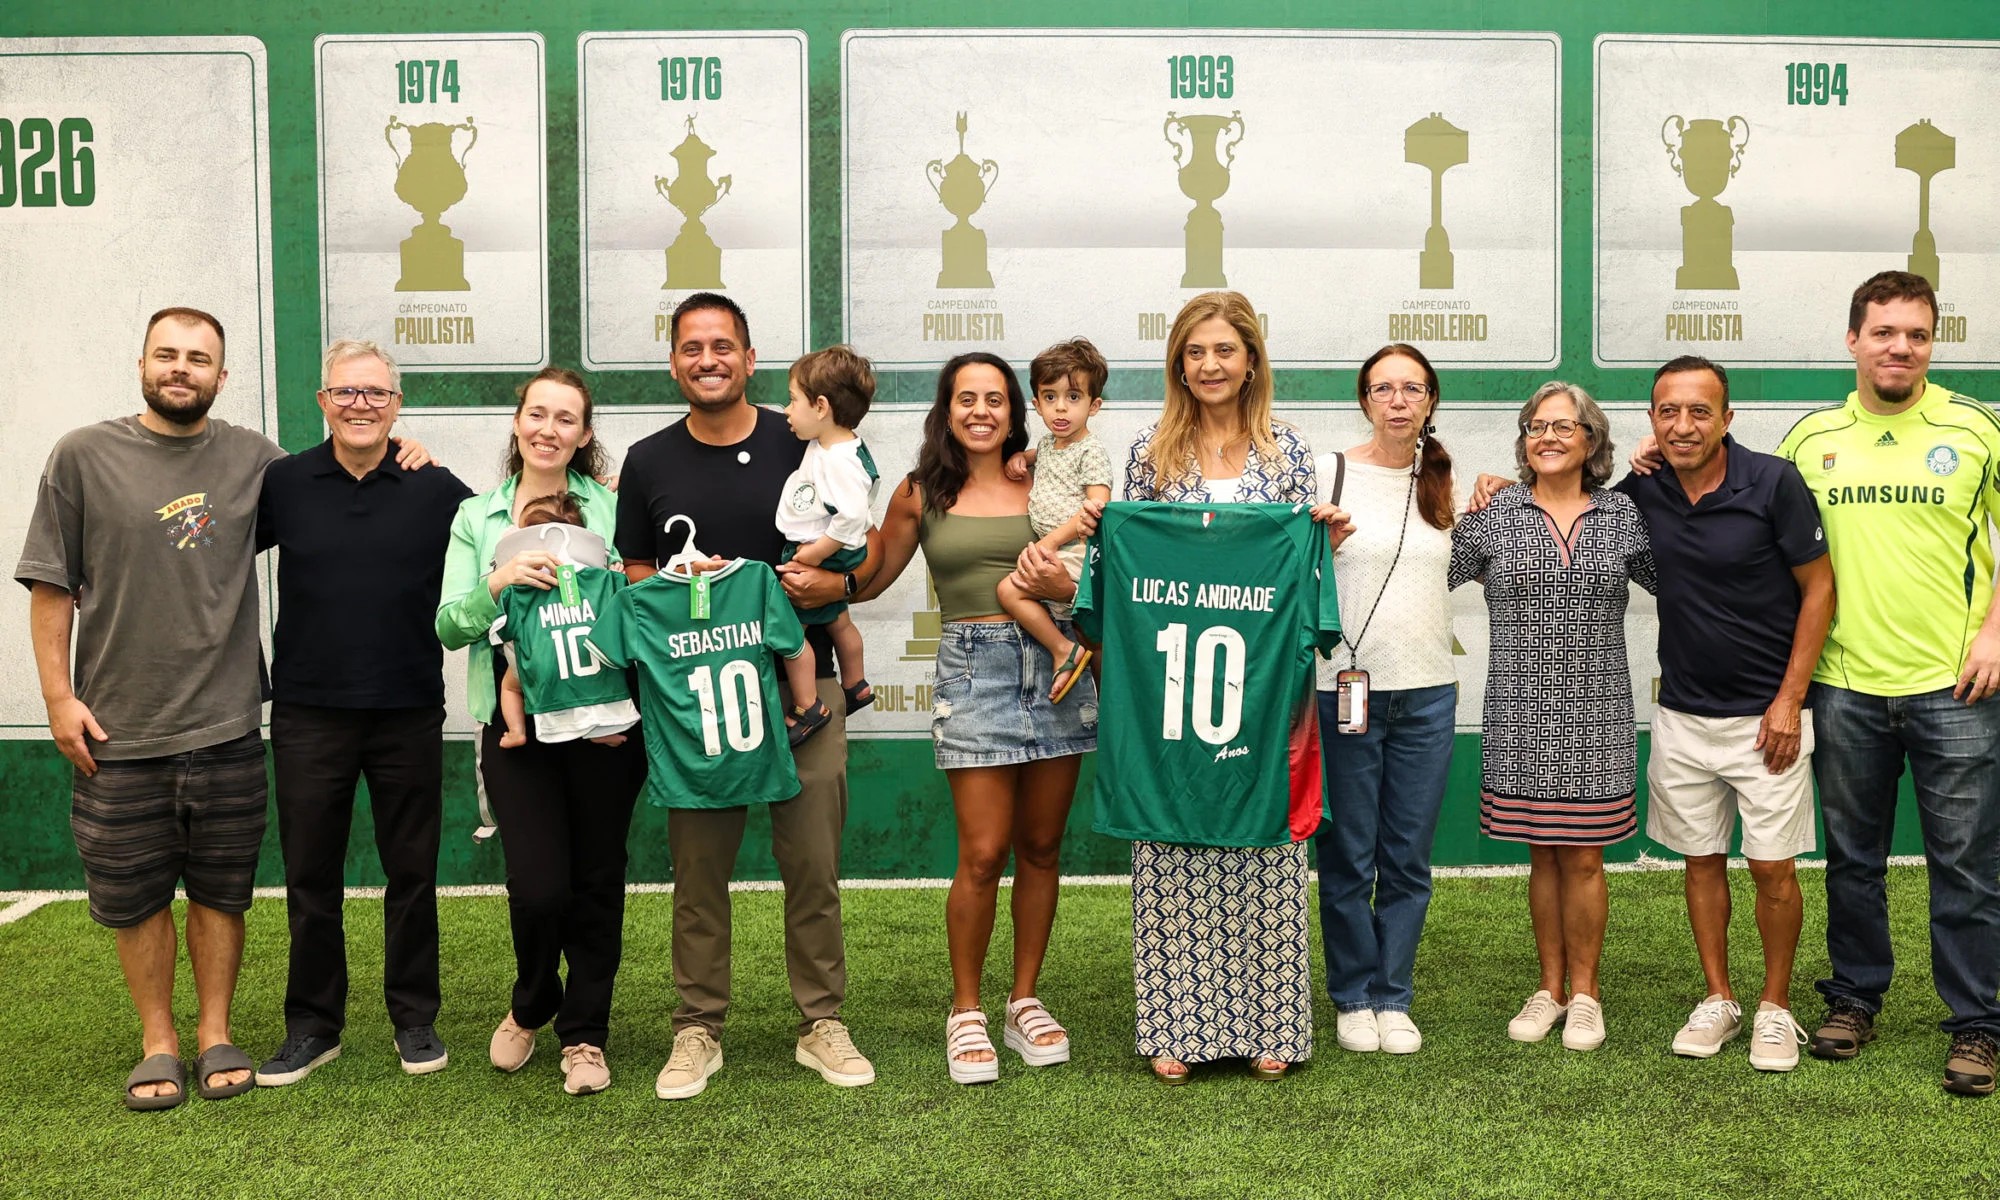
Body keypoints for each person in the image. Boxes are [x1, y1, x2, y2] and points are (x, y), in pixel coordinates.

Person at [614, 292, 877, 1099]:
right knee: (698, 876)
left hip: (805, 690)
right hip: (696, 704)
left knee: (813, 867)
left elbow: (853, 557)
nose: (707, 359)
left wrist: (827, 580)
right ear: (673, 364)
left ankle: (820, 1022)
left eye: (723, 345)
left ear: (751, 359)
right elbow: (632, 580)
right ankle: (698, 1028)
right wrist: (691, 585)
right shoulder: (649, 460)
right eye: (691, 347)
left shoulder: (799, 436)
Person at [19, 308, 278, 1109]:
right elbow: (52, 586)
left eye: (198, 359)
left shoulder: (255, 461)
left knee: (220, 892)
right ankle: (158, 1039)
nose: (181, 368)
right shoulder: (83, 456)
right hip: (117, 730)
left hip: (229, 724)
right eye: (167, 354)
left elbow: (341, 489)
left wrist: (402, 449)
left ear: (222, 377)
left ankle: (213, 1033)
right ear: (141, 363)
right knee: (135, 900)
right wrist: (58, 698)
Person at [1770, 271, 2000, 1096]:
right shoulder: (1811, 438)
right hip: (1844, 685)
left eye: (1917, 334)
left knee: (1967, 865)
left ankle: (1977, 1023)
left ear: (1933, 343)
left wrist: (1995, 633)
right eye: (1884, 332)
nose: (1900, 347)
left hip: (1956, 687)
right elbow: (1758, 528)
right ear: (1853, 340)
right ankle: (1855, 997)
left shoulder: (1976, 428)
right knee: (1853, 860)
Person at [853, 352, 1099, 1084]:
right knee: (984, 852)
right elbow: (869, 579)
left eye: (996, 398)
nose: (982, 410)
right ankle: (966, 1009)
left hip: (1060, 662)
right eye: (968, 398)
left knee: (1043, 845)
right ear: (946, 408)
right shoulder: (920, 491)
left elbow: (1099, 551)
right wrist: (814, 562)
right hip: (973, 666)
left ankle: (1025, 1000)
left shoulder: (1044, 474)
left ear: (1014, 409)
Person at [1119, 290, 1329, 1083]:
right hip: (1173, 676)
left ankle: (1270, 1020)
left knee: (1264, 841)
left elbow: (1301, 565)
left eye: (1224, 351)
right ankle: (1178, 1023)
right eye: (1195, 352)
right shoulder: (1149, 453)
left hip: (1268, 683)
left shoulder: (1288, 453)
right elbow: (1129, 557)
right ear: (1179, 362)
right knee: (1174, 840)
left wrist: (1323, 532)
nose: (1209, 365)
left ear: (1250, 362)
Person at [253, 339, 473, 1088]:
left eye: (375, 394)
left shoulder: (434, 486)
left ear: (397, 405)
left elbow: (499, 538)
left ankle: (415, 1018)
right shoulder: (283, 483)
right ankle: (313, 1025)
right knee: (312, 875)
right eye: (346, 393)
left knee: (411, 873)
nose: (360, 405)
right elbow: (208, 565)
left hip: (408, 706)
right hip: (309, 712)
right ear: (322, 402)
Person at [1606, 356, 1833, 1073]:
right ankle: (1720, 999)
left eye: (1699, 411)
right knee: (1701, 861)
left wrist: (1790, 700)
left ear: (1727, 419)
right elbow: (1573, 509)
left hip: (1769, 720)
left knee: (1772, 868)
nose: (1683, 424)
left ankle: (1775, 1007)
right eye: (1668, 411)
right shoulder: (1642, 492)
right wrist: (1496, 490)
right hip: (1681, 716)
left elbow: (1820, 590)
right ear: (1652, 420)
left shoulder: (1774, 482)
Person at [437, 367, 647, 1097]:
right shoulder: (477, 516)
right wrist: (498, 581)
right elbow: (447, 623)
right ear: (518, 422)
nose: (548, 429)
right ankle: (532, 1001)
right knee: (537, 889)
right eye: (537, 414)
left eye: (566, 419)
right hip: (514, 723)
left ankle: (585, 1034)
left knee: (596, 881)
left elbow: (641, 602)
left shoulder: (613, 508)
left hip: (604, 726)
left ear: (585, 435)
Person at [1448, 381, 1655, 1053]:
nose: (1550, 437)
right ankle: (1550, 989)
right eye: (1537, 427)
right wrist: (1456, 496)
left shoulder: (1624, 513)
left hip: (1599, 712)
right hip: (1518, 710)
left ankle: (1587, 995)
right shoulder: (1496, 513)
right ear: (1523, 441)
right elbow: (1426, 570)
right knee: (1543, 858)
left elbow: (1689, 577)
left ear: (1592, 441)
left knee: (1586, 859)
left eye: (1565, 427)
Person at [1314, 344, 1458, 1057]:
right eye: (1383, 389)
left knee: (1407, 856)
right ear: (1364, 399)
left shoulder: (1447, 482)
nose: (1398, 400)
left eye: (1413, 388)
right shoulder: (1327, 473)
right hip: (1342, 689)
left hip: (1427, 693)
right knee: (1347, 854)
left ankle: (1392, 996)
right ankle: (1351, 995)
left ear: (1430, 400)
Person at [998, 338, 1114, 701]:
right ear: (1036, 403)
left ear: (1094, 406)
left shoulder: (1091, 450)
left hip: (1074, 549)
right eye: (1050, 398)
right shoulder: (1050, 443)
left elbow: (1097, 505)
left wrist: (1051, 541)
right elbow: (1042, 454)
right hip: (1056, 547)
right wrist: (1022, 459)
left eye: (1073, 397)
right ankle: (1072, 649)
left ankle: (1065, 650)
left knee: (1008, 590)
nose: (1060, 408)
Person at [776, 344, 880, 743]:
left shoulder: (839, 461)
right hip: (830, 546)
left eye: (792, 400)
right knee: (839, 621)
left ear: (821, 406)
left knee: (790, 630)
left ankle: (809, 706)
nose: (787, 410)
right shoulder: (833, 444)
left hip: (824, 550)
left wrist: (815, 554)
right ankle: (856, 685)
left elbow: (852, 516)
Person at [493, 491, 638, 750]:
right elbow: (621, 606)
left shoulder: (522, 585)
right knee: (594, 693)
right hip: (592, 665)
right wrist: (613, 575)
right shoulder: (600, 578)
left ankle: (516, 730)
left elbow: (498, 629)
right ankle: (600, 730)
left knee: (510, 686)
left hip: (541, 662)